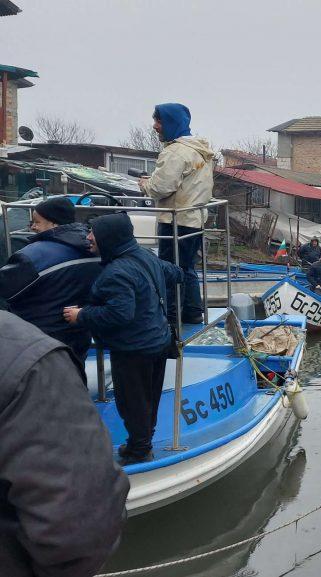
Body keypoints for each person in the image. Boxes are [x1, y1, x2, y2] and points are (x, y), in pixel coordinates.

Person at [0, 311, 129, 577]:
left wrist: (84, 315)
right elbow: (79, 529)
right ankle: (140, 445)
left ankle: (139, 445)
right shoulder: (24, 355)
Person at [62, 212, 182, 465]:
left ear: (109, 237)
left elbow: (119, 314)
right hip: (158, 341)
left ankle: (139, 452)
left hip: (133, 349)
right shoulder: (145, 256)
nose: (88, 237)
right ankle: (142, 441)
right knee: (149, 398)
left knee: (132, 403)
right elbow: (175, 273)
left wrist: (81, 315)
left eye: (93, 232)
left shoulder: (116, 272)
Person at [138, 103, 214, 325]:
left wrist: (145, 185)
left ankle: (170, 320)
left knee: (169, 269)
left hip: (175, 220)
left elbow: (161, 187)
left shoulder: (175, 152)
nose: (155, 126)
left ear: (170, 122)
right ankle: (192, 312)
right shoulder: (200, 150)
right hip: (194, 219)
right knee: (187, 267)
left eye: (158, 121)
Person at [0, 197, 101, 361]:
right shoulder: (93, 249)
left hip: (40, 339)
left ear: (54, 223)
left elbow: (5, 289)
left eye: (37, 222)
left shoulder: (32, 256)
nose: (32, 227)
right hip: (79, 335)